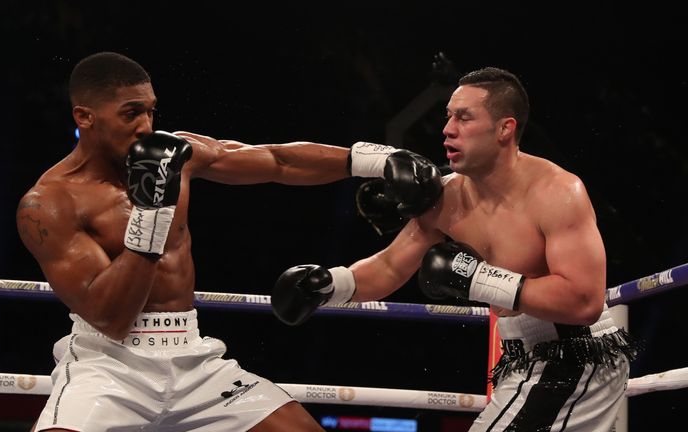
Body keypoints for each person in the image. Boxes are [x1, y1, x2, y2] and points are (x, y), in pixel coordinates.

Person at [16, 51, 441, 432]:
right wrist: (152, 217)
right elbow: (111, 317)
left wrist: (375, 160)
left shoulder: (176, 156)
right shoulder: (50, 204)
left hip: (193, 358)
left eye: (150, 111)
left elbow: (276, 160)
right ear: (85, 117)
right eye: (131, 114)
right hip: (110, 365)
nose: (146, 126)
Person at [272, 67, 638, 431]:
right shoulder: (445, 197)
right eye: (448, 116)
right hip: (521, 359)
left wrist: (478, 278)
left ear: (504, 129)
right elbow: (388, 268)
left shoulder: (556, 192)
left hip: (577, 356)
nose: (448, 129)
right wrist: (328, 284)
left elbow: (584, 302)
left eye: (463, 117)